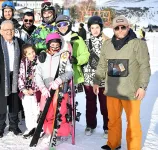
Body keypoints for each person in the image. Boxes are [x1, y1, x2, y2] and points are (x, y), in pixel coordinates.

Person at [93, 16, 151, 150]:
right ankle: (113, 144)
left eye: (123, 27)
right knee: (112, 120)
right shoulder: (107, 44)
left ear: (128, 27)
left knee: (133, 123)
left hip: (131, 92)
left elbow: (144, 66)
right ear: (113, 29)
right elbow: (102, 64)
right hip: (112, 89)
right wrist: (97, 81)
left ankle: (134, 147)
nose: (120, 30)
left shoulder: (138, 44)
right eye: (117, 28)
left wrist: (142, 86)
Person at [0, 20, 24, 138]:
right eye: (6, 30)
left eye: (11, 30)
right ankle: (0, 127)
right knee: (0, 103)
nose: (9, 32)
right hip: (0, 76)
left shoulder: (19, 42)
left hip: (15, 76)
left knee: (14, 102)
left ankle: (14, 125)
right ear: (1, 31)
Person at [35, 33, 73, 137]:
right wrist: (42, 87)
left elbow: (70, 72)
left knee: (61, 112)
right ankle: (48, 131)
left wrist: (59, 80)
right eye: (52, 46)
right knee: (47, 113)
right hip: (46, 91)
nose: (55, 49)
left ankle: (61, 133)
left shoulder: (63, 57)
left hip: (60, 90)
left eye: (57, 46)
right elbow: (37, 74)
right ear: (48, 45)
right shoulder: (42, 58)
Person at [82, 16, 109, 137]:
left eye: (97, 27)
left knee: (105, 104)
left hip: (103, 78)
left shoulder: (107, 42)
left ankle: (107, 127)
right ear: (89, 29)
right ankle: (90, 125)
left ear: (101, 28)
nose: (95, 30)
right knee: (90, 103)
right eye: (92, 28)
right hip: (89, 78)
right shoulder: (86, 43)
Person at [55, 15, 89, 91]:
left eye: (65, 24)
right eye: (59, 25)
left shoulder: (77, 39)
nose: (62, 27)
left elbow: (86, 55)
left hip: (73, 75)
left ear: (69, 24)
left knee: (70, 100)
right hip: (57, 76)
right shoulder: (54, 38)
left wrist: (77, 60)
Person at [18, 44, 40, 138]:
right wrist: (23, 89)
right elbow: (21, 76)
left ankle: (37, 128)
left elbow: (39, 76)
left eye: (33, 52)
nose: (32, 55)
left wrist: (34, 89)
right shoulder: (23, 62)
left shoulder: (39, 61)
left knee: (36, 111)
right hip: (26, 92)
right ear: (25, 55)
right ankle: (30, 128)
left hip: (36, 91)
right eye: (29, 53)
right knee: (27, 110)